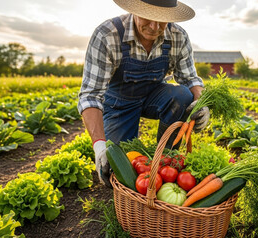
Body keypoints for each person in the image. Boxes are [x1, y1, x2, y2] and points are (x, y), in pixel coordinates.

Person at [78, 0, 210, 187]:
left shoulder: (177, 36)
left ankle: (166, 161)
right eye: (148, 17)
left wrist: (201, 100)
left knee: (182, 95)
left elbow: (190, 79)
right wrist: (99, 146)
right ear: (135, 10)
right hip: (118, 103)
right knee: (119, 169)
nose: (155, 27)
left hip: (154, 96)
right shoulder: (108, 35)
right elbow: (90, 95)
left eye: (162, 20)